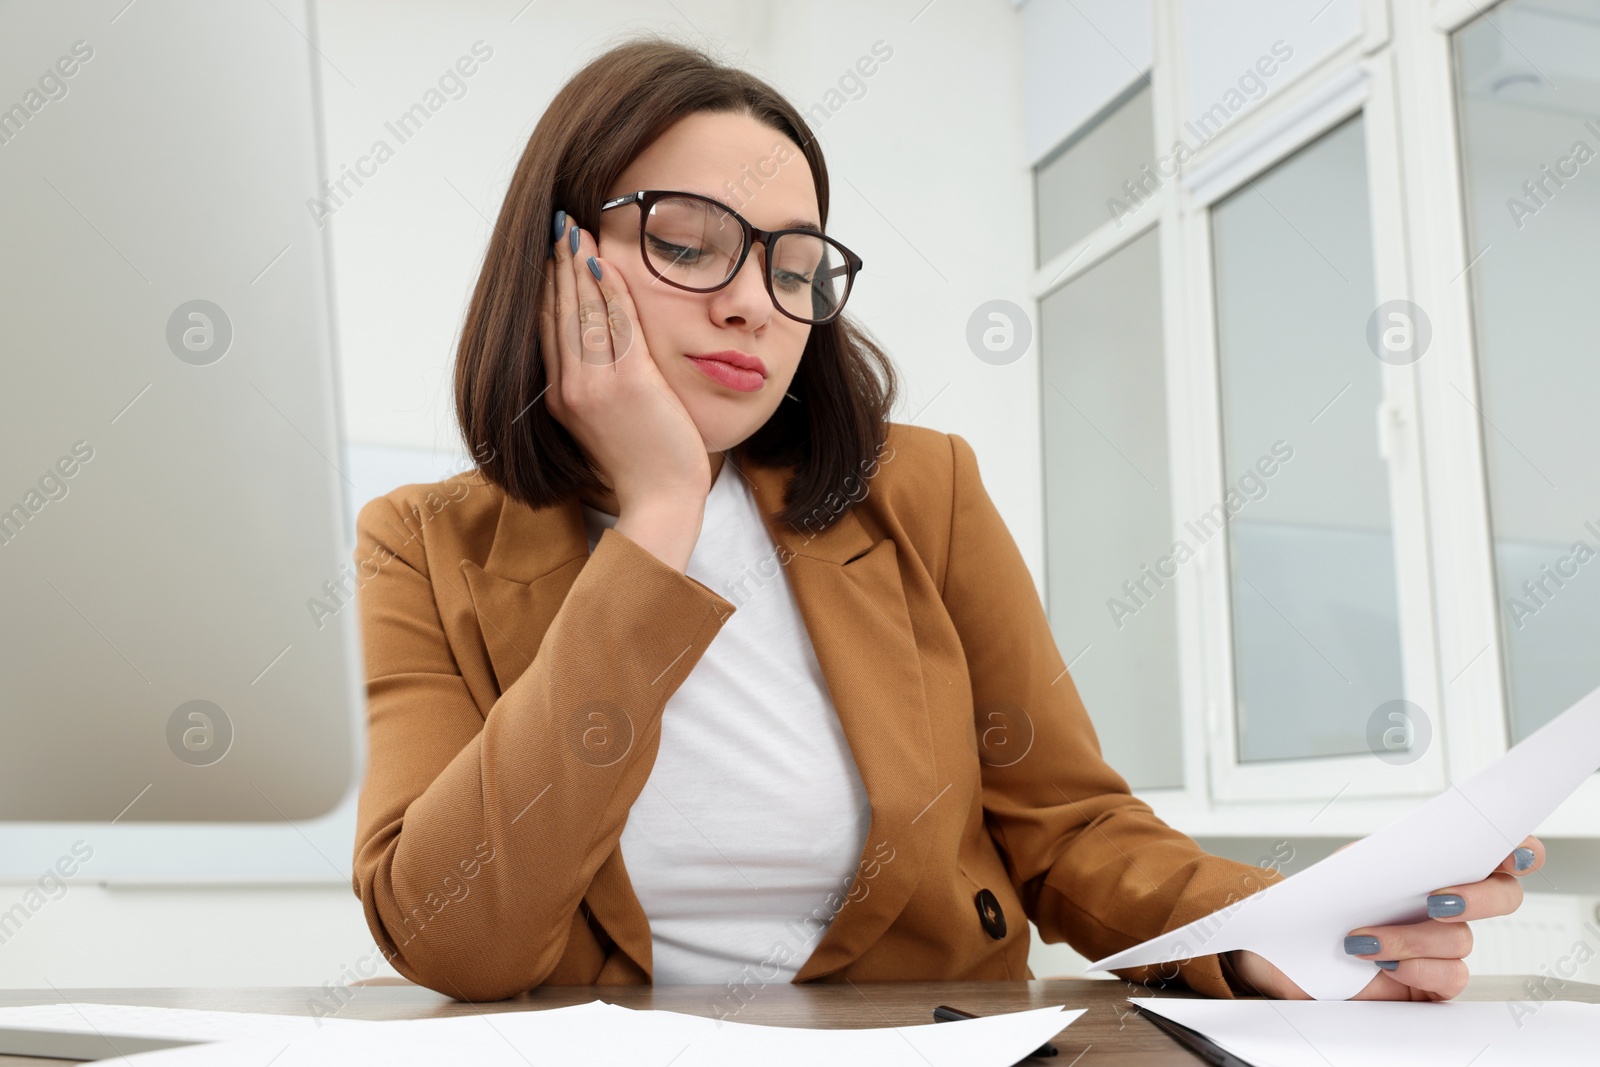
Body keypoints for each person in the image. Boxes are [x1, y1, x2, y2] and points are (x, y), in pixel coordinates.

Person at [348, 33, 1543, 1004]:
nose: (754, 307)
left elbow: (1069, 829)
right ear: (559, 257)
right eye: (688, 244)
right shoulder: (421, 542)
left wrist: (1276, 932)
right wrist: (658, 511)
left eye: (793, 265)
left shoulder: (921, 492)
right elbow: (459, 938)